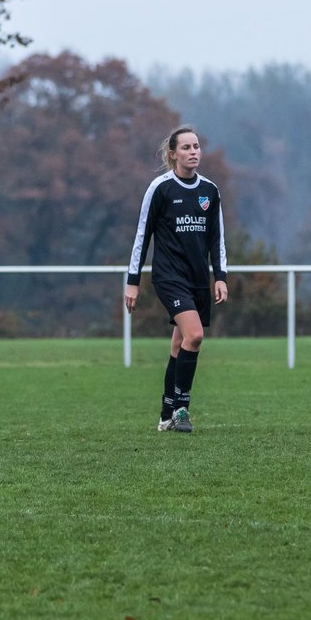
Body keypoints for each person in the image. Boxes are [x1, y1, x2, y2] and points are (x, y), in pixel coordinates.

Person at [125, 124, 229, 433]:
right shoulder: (161, 188)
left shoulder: (209, 191)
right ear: (173, 155)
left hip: (198, 279)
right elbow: (142, 235)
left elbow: (217, 238)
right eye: (186, 147)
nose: (193, 152)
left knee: (180, 344)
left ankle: (165, 414)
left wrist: (220, 277)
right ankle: (182, 409)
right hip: (169, 277)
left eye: (196, 146)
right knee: (194, 336)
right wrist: (133, 281)